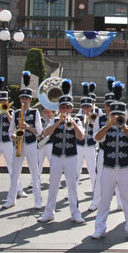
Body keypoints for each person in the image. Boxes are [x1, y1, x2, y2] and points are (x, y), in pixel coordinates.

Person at [91, 81, 128, 240]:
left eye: (120, 116)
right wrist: (108, 125)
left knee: (127, 201)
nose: (117, 118)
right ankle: (99, 229)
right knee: (105, 200)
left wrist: (124, 127)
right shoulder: (106, 127)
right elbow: (97, 137)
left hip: (125, 169)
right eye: (114, 115)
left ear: (124, 117)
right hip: (108, 169)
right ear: (110, 115)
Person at [39, 79, 85, 223]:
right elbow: (46, 133)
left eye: (68, 107)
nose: (65, 109)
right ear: (59, 108)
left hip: (71, 157)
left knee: (72, 186)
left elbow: (81, 136)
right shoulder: (54, 120)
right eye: (63, 107)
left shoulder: (76, 120)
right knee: (53, 185)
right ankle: (49, 213)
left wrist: (72, 122)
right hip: (57, 156)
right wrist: (59, 121)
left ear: (71, 108)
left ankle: (75, 213)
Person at [3, 72, 43, 209]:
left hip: (31, 144)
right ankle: (11, 199)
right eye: (22, 98)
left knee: (35, 172)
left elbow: (40, 131)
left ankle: (38, 200)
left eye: (27, 98)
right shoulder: (14, 113)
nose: (24, 100)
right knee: (15, 173)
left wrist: (28, 127)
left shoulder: (35, 113)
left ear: (31, 100)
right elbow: (10, 131)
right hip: (19, 144)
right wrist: (14, 137)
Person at [75, 83, 98, 190]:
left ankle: (95, 188)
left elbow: (100, 128)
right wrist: (83, 123)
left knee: (92, 168)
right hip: (79, 145)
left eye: (88, 106)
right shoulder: (78, 116)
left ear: (91, 106)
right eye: (84, 106)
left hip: (90, 145)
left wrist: (93, 123)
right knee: (76, 168)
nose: (86, 108)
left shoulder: (96, 115)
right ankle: (72, 188)